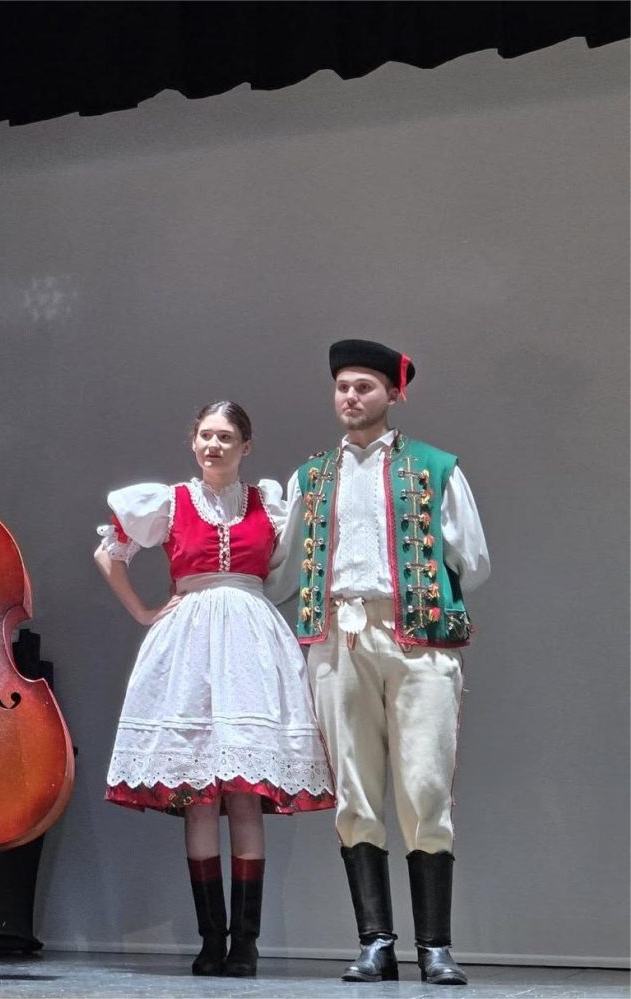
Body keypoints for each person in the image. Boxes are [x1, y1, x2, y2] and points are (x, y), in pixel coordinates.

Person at [94, 401, 335, 978]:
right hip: (189, 642)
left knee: (245, 794)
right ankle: (210, 940)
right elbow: (109, 553)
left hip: (251, 639)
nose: (213, 446)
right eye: (205, 435)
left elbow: (299, 563)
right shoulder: (171, 501)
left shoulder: (269, 504)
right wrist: (144, 612)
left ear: (245, 446)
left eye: (225, 437)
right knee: (199, 796)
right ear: (193, 442)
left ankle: (244, 944)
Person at [277, 340, 489, 985]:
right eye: (343, 386)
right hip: (338, 638)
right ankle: (375, 943)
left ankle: (435, 947)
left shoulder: (435, 467)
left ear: (394, 394)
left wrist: (419, 597)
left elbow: (472, 560)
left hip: (415, 638)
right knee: (355, 793)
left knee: (424, 787)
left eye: (364, 386)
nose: (351, 397)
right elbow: (284, 567)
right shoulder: (311, 476)